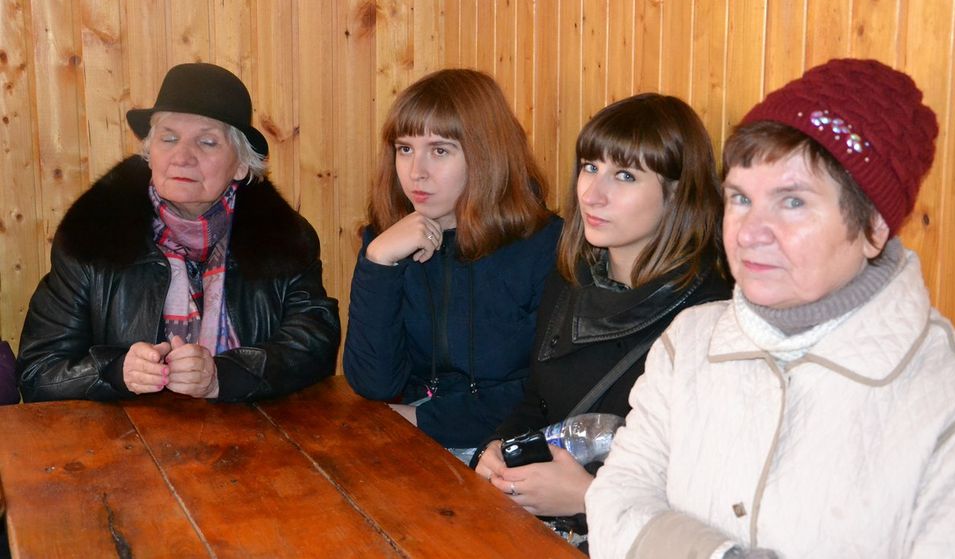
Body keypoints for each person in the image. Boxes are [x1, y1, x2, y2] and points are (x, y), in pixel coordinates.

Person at [586, 59, 955, 558]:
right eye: (740, 198)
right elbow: (616, 503)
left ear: (874, 227)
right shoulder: (689, 342)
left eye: (792, 202)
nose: (749, 233)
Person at [473, 94, 732, 544]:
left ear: (678, 193)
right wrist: (497, 448)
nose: (593, 194)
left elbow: (704, 490)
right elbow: (539, 401)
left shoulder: (708, 317)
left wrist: (587, 497)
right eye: (590, 167)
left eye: (625, 176)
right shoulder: (571, 276)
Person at [17, 63, 340, 403]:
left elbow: (314, 346)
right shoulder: (94, 235)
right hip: (127, 434)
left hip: (250, 430)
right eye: (168, 138)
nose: (182, 156)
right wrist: (115, 372)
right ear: (150, 154)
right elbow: (38, 372)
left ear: (242, 165)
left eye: (207, 142)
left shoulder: (283, 239)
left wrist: (225, 375)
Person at [343, 69, 562, 453]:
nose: (416, 172)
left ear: (485, 155)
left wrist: (425, 420)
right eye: (405, 149)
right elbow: (374, 383)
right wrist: (378, 263)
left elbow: (548, 392)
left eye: (440, 150)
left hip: (502, 443)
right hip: (412, 433)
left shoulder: (544, 244)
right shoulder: (390, 239)